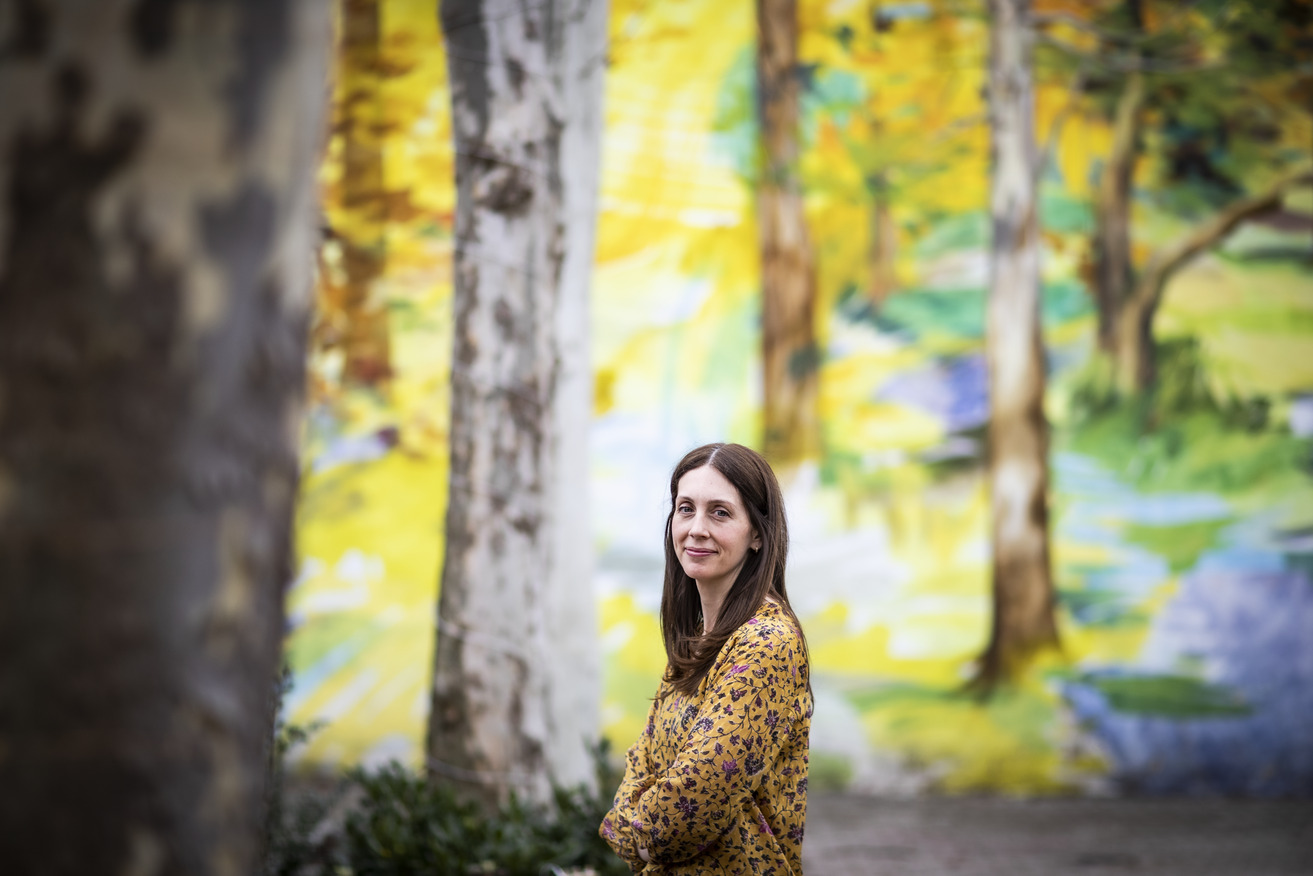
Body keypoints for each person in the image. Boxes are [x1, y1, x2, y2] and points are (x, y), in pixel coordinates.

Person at [600, 442, 813, 875]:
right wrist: (637, 822)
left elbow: (693, 802)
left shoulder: (767, 643)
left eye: (720, 512)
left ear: (757, 533)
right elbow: (641, 763)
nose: (696, 528)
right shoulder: (698, 643)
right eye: (685, 508)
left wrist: (636, 839)